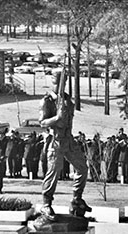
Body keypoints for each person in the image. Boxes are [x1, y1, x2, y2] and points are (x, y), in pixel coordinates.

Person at [39, 71, 91, 221]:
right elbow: (42, 122)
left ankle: (76, 198)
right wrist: (56, 118)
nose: (60, 84)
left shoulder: (68, 99)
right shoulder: (47, 101)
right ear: (52, 81)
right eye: (57, 81)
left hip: (68, 140)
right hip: (55, 141)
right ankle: (46, 203)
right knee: (53, 172)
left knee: (82, 167)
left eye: (63, 81)